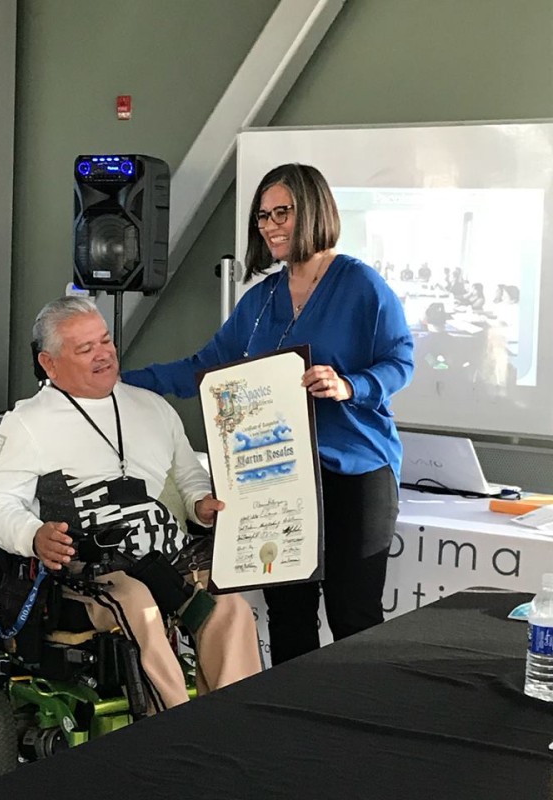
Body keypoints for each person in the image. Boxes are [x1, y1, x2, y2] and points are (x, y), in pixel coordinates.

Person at [123, 163, 414, 665]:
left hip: (356, 472)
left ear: (314, 211)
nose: (271, 225)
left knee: (353, 616)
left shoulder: (360, 285)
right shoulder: (259, 299)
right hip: (278, 479)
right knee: (289, 614)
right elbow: (204, 368)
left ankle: (360, 731)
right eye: (263, 216)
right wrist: (122, 381)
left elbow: (400, 361)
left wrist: (349, 385)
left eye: (284, 211)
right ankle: (292, 728)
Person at [0, 296, 261, 712]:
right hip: (89, 569)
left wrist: (199, 502)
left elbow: (187, 474)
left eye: (105, 341)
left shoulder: (153, 407)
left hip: (168, 558)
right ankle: (174, 727)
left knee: (227, 607)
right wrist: (32, 534)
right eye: (86, 348)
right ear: (50, 364)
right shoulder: (27, 424)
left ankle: (236, 723)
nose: (103, 355)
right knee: (138, 606)